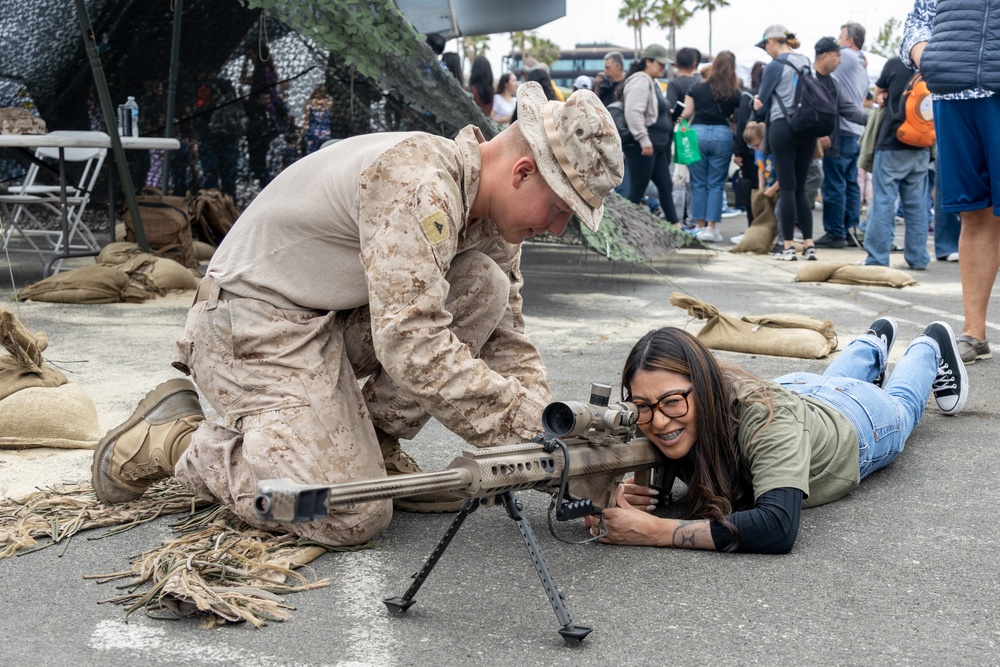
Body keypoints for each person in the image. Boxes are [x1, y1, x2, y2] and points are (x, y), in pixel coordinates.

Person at [90, 82, 624, 547]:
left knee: (483, 283)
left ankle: (375, 442)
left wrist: (560, 438)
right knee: (346, 513)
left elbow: (508, 340)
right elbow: (413, 347)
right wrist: (528, 432)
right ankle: (179, 441)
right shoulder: (419, 187)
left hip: (322, 322)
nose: (557, 228)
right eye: (559, 210)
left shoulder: (490, 218)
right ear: (523, 171)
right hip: (250, 329)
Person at [582, 319, 968, 552]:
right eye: (642, 405)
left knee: (901, 403)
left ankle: (929, 344)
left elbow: (778, 526)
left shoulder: (767, 422)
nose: (660, 422)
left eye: (671, 402)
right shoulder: (666, 411)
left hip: (859, 418)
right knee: (825, 381)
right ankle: (872, 343)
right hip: (797, 389)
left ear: (706, 386)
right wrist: (622, 489)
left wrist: (657, 531)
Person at [903, 0, 997, 364]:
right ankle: (974, 333)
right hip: (953, 94)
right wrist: (928, 57)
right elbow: (917, 20)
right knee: (972, 214)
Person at [752, 25, 819, 261]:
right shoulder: (806, 62)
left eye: (765, 46)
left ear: (773, 41)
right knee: (801, 189)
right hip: (808, 128)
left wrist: (757, 107)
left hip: (783, 127)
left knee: (787, 188)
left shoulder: (775, 66)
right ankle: (809, 245)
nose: (766, 51)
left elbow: (763, 103)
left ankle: (788, 246)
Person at [860, 56, 932, 271]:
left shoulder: (894, 64)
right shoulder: (933, 65)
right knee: (917, 204)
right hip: (922, 144)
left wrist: (883, 97)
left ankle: (878, 258)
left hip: (892, 141)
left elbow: (877, 94)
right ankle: (918, 257)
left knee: (884, 201)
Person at [815, 22, 870, 249]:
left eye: (841, 39)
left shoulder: (846, 58)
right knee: (851, 184)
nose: (839, 52)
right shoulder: (861, 65)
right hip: (856, 133)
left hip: (841, 134)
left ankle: (835, 231)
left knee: (835, 184)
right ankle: (850, 230)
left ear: (849, 42)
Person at [681, 51, 743, 242]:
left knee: (698, 182)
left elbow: (686, 113)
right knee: (716, 183)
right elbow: (737, 119)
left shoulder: (696, 87)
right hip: (722, 134)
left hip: (697, 133)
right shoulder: (734, 91)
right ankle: (711, 228)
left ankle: (699, 228)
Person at [621, 43, 679, 224]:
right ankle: (622, 228)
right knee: (638, 188)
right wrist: (643, 139)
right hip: (644, 146)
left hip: (656, 146)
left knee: (665, 186)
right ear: (648, 62)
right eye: (660, 63)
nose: (663, 67)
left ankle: (675, 225)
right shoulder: (641, 81)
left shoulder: (653, 82)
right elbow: (633, 111)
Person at [300, 83, 333, 155]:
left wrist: (303, 129)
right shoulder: (328, 102)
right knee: (324, 150)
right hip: (324, 130)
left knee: (312, 151)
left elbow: (306, 117)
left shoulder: (311, 102)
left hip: (314, 130)